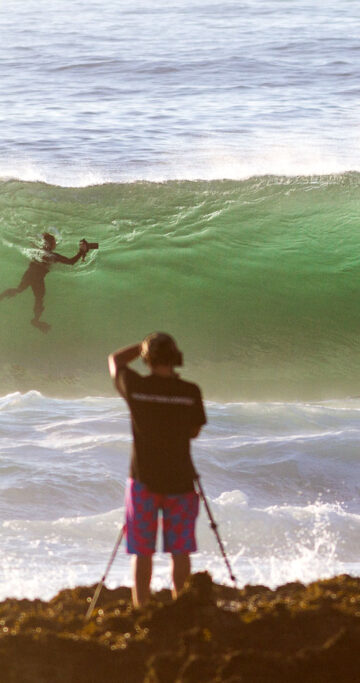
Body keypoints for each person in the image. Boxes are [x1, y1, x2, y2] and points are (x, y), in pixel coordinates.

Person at [108, 332, 207, 608]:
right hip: (181, 481)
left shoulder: (136, 387)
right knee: (180, 551)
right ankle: (182, 604)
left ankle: (142, 607)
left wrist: (140, 347)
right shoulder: (190, 392)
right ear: (175, 358)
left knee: (142, 552)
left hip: (143, 481)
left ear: (148, 359)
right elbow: (194, 432)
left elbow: (115, 360)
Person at [0, 232, 91, 333]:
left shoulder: (36, 250)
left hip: (28, 275)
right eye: (54, 243)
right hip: (38, 279)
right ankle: (36, 320)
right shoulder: (53, 256)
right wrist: (81, 252)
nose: (55, 244)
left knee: (19, 289)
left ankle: (1, 296)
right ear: (51, 245)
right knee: (39, 299)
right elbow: (71, 262)